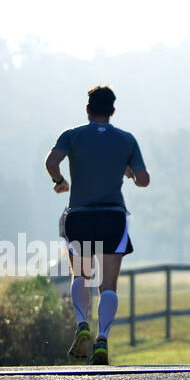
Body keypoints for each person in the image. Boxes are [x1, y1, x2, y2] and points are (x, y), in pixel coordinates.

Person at [44, 85, 150, 365]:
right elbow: (144, 180)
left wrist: (59, 181)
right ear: (113, 111)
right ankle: (102, 339)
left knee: (80, 275)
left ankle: (82, 325)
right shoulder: (126, 140)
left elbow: (52, 161)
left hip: (79, 215)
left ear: (88, 109)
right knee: (109, 286)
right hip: (112, 217)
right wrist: (127, 171)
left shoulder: (72, 135)